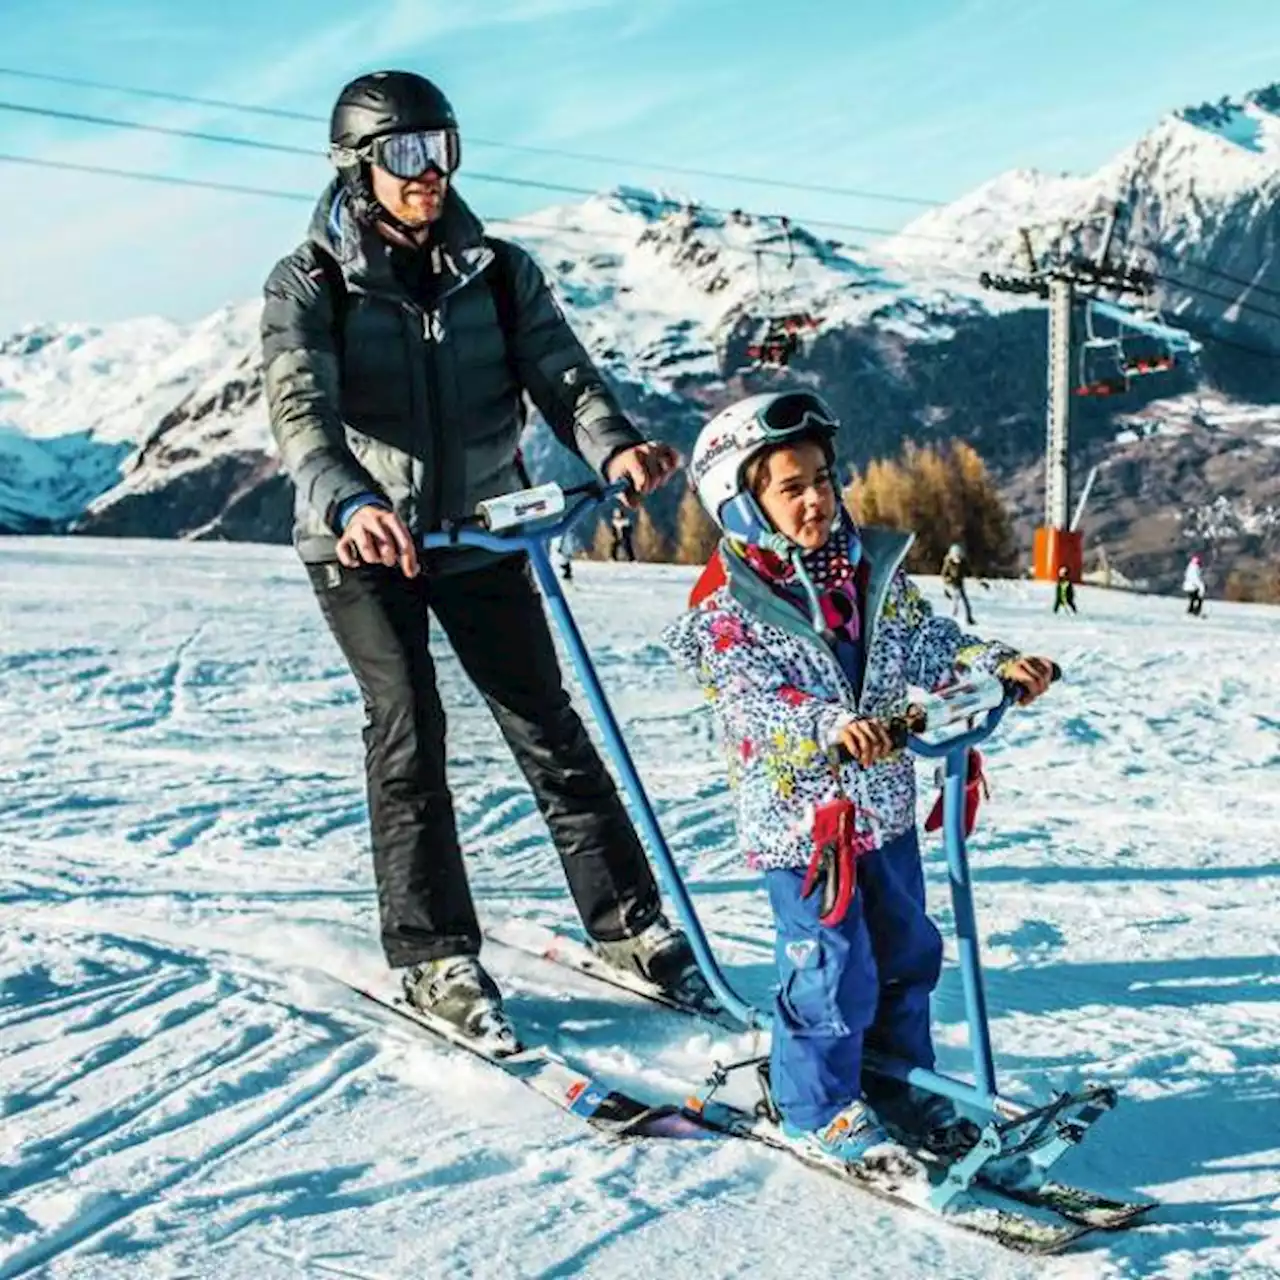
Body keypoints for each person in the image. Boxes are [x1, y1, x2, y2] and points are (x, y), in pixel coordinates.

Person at [261, 69, 695, 1048]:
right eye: (404, 154)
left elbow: (563, 375)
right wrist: (352, 500)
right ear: (358, 166)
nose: (427, 173)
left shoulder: (496, 271)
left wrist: (613, 445)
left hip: (484, 529)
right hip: (362, 539)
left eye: (442, 148)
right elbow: (301, 416)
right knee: (407, 721)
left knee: (546, 721)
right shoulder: (310, 282)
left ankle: (629, 927)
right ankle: (432, 952)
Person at [663, 390, 1055, 1165]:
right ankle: (818, 1105)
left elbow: (927, 638)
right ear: (741, 505)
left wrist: (995, 663)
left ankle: (899, 1080)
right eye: (790, 486)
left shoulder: (863, 572)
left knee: (909, 952)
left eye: (822, 478)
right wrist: (829, 726)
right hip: (806, 830)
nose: (816, 499)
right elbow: (755, 702)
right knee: (831, 968)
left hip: (884, 808)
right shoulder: (726, 611)